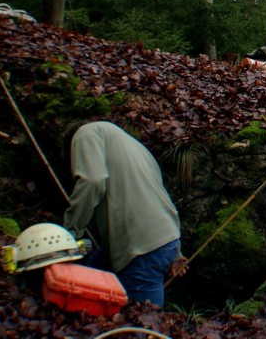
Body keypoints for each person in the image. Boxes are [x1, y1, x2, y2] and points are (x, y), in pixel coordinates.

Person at [63, 121, 187, 307]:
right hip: (165, 239)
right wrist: (175, 252)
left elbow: (92, 181)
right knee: (93, 271)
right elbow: (155, 196)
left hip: (141, 248)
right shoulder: (134, 146)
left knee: (142, 323)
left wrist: (69, 234)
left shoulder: (85, 134)